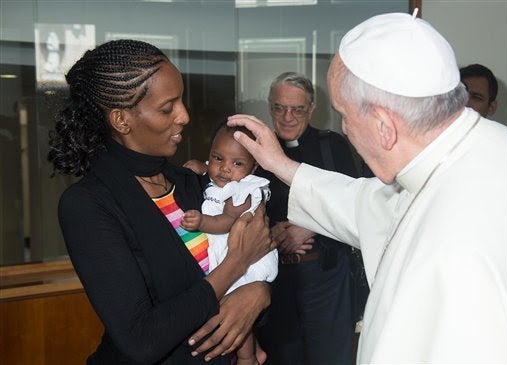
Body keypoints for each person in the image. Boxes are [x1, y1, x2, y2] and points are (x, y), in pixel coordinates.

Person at [226, 11, 507, 364]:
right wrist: (279, 163)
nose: (344, 129)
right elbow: (367, 204)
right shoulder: (474, 150)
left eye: (345, 116)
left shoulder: (457, 253)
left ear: (384, 126)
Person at [47, 39, 275, 365]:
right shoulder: (87, 205)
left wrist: (259, 293)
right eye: (168, 108)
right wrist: (235, 265)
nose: (184, 116)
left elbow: (257, 257)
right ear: (122, 120)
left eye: (181, 101)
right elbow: (141, 340)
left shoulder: (191, 184)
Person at [255, 72, 358, 365]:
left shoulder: (332, 146)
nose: (287, 117)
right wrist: (272, 233)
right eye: (279, 108)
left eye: (297, 109)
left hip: (325, 277)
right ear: (269, 106)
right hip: (276, 279)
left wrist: (308, 227)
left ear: (311, 109)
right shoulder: (257, 150)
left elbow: (355, 207)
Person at [181, 122, 278, 365]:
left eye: (237, 164)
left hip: (247, 257)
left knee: (234, 308)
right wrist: (201, 168)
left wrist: (202, 222)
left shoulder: (245, 192)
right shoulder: (221, 178)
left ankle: (248, 357)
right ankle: (256, 350)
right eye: (217, 158)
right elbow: (212, 175)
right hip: (229, 251)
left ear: (253, 167)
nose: (225, 169)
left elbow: (225, 221)